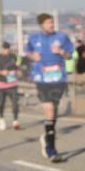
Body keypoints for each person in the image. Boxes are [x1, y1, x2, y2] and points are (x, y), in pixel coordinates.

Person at [24, 13, 73, 162]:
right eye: (48, 23)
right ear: (41, 25)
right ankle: (51, 150)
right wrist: (33, 56)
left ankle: (47, 137)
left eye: (52, 22)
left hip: (58, 79)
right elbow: (28, 52)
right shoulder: (34, 38)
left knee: (54, 113)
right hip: (42, 79)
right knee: (49, 109)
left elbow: (70, 55)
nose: (51, 25)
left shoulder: (62, 37)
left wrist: (61, 52)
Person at [0, 42, 22, 130]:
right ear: (2, 49)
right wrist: (1, 72)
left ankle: (15, 121)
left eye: (8, 48)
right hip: (1, 84)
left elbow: (18, 66)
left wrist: (18, 71)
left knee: (15, 103)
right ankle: (1, 119)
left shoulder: (13, 57)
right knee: (1, 103)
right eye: (5, 48)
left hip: (12, 83)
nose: (6, 50)